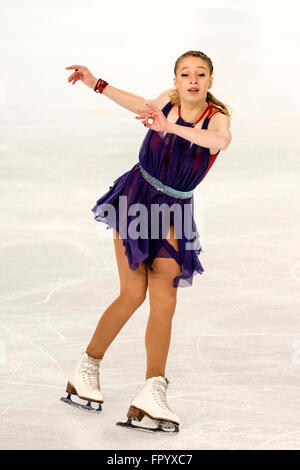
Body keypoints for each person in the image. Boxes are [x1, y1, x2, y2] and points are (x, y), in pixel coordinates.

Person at [62, 50, 232, 433]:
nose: (192, 80)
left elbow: (219, 142)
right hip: (137, 199)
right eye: (185, 74)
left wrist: (170, 129)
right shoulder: (167, 102)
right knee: (133, 292)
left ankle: (153, 389)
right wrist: (96, 83)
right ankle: (86, 368)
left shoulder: (216, 117)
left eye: (200, 74)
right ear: (175, 80)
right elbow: (139, 104)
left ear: (209, 82)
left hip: (175, 210)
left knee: (166, 298)